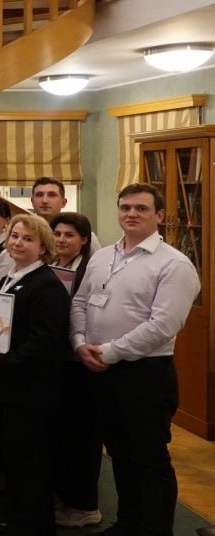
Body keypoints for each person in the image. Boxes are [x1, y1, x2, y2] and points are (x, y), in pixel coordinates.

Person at [70, 183, 200, 536]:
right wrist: (79, 342)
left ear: (159, 215)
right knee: (119, 454)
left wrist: (110, 351)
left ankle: (155, 531)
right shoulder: (102, 257)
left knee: (149, 460)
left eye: (141, 208)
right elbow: (80, 302)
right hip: (99, 370)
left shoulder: (174, 264)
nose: (131, 214)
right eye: (125, 207)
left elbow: (163, 326)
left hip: (144, 376)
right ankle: (128, 524)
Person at [0, 214, 70, 536]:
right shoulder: (11, 277)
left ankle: (31, 526)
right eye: (14, 236)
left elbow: (46, 340)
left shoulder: (47, 285)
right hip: (8, 388)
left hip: (30, 391)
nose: (18, 243)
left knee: (30, 463)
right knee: (13, 459)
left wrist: (7, 360)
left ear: (43, 248)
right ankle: (15, 519)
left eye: (28, 239)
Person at [49, 212, 103, 529]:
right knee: (61, 435)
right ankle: (64, 496)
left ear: (84, 240)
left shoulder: (90, 272)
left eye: (69, 235)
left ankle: (85, 505)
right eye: (57, 234)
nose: (61, 240)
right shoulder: (50, 266)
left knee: (82, 437)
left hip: (80, 363)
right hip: (56, 363)